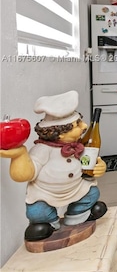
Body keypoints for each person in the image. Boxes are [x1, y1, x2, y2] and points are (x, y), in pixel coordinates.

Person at [0, 91, 107, 241]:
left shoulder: (77, 146)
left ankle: (78, 214)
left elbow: (90, 160)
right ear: (60, 133)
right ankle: (48, 222)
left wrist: (99, 166)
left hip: (76, 188)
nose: (84, 126)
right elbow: (27, 174)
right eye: (77, 125)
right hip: (46, 193)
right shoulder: (42, 150)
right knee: (37, 211)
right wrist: (19, 155)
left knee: (92, 192)